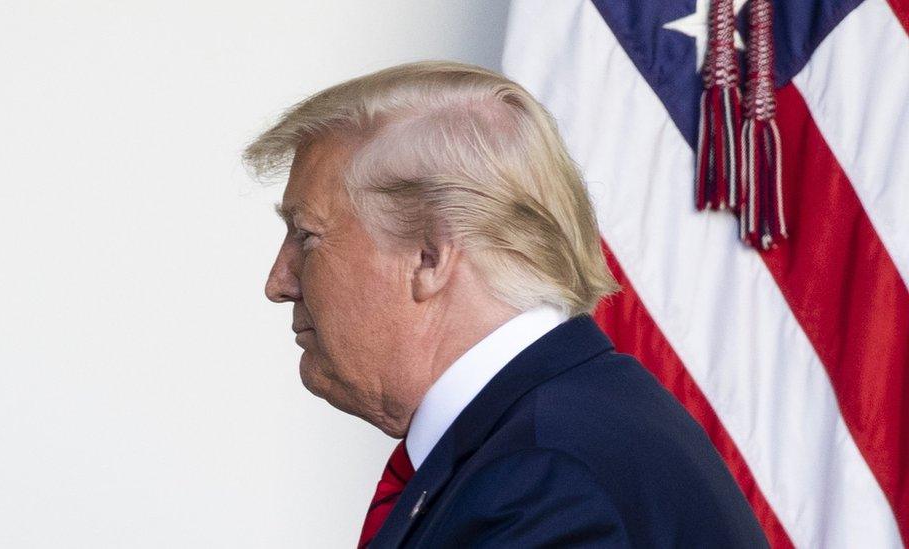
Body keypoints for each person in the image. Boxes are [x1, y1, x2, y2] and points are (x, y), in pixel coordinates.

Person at [245, 61, 768, 548]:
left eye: (306, 235)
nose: (279, 281)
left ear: (430, 255)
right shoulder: (557, 430)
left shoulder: (543, 478)